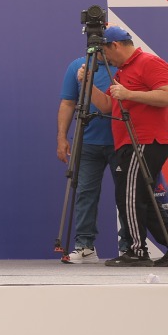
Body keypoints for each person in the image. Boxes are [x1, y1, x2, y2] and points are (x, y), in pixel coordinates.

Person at [92, 26, 168, 267]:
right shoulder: (123, 71)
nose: (105, 59)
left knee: (130, 195)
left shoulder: (149, 62)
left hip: (146, 140)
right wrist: (87, 84)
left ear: (114, 45)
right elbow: (107, 105)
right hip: (129, 142)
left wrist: (129, 94)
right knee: (143, 198)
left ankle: (137, 251)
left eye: (104, 53)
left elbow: (166, 95)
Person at [57, 46, 118, 263]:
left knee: (126, 196)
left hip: (122, 142)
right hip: (88, 142)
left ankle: (130, 248)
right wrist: (61, 137)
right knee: (85, 193)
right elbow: (68, 103)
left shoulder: (123, 66)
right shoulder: (78, 66)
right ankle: (85, 246)